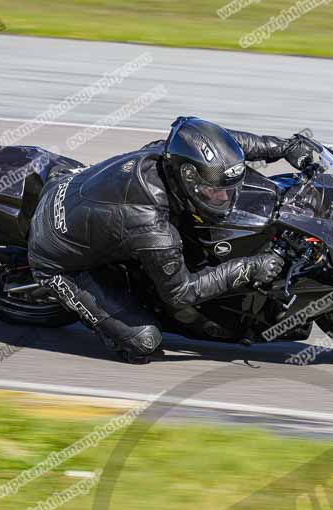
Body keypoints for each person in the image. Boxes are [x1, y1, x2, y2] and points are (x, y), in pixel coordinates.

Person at [27, 116, 318, 363]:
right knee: (144, 342)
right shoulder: (151, 225)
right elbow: (182, 293)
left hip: (71, 187)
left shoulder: (174, 154)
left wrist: (284, 146)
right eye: (213, 191)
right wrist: (250, 268)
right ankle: (108, 321)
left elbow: (230, 146)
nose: (223, 197)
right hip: (56, 257)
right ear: (188, 178)